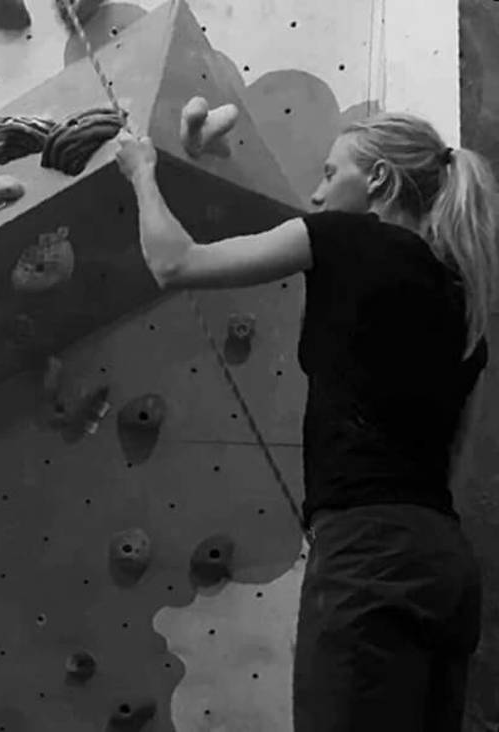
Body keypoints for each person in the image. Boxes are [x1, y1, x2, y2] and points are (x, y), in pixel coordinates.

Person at [114, 112, 495, 732]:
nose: (316, 193)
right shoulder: (465, 297)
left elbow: (175, 263)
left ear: (377, 178)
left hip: (367, 558)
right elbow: (452, 465)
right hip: (443, 565)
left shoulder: (340, 237)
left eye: (329, 173)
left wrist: (142, 172)